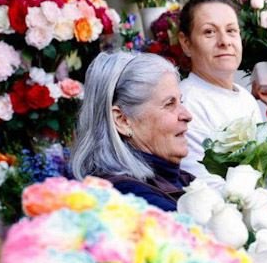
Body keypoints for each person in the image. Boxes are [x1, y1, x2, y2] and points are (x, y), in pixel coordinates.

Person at [176, 0, 267, 182]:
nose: (225, 41)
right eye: (209, 31)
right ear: (186, 43)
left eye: (231, 30)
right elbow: (208, 193)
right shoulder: (185, 104)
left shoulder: (245, 97)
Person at [70, 51, 193, 212]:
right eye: (169, 104)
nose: (187, 115)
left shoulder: (177, 179)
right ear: (122, 120)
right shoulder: (133, 201)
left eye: (180, 101)